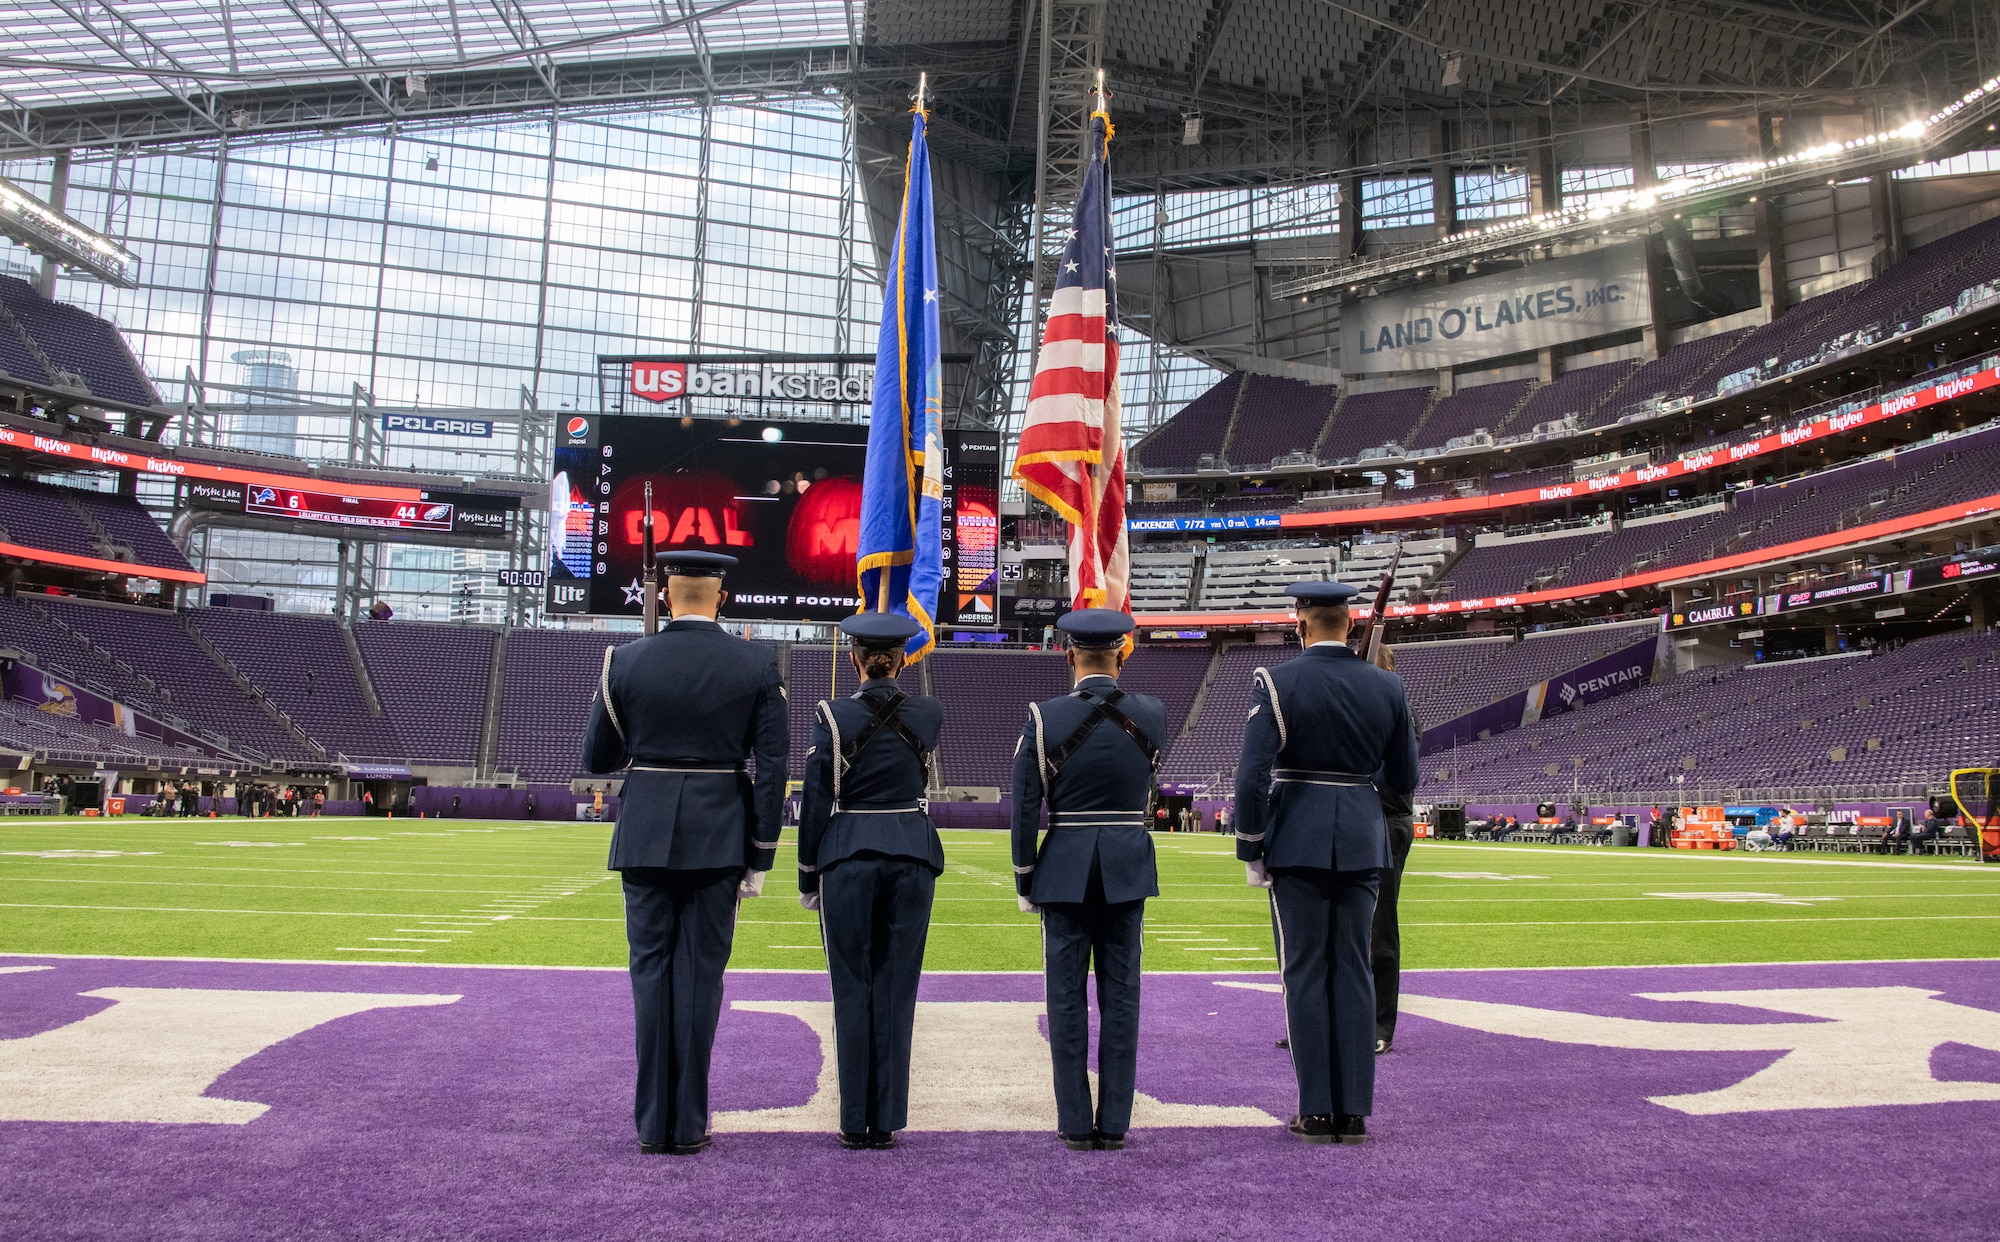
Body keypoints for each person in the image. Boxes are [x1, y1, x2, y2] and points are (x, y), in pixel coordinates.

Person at [582, 549, 787, 1157]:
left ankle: (652, 1124)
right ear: (721, 598)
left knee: (650, 974)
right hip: (719, 832)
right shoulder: (756, 662)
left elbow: (598, 758)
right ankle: (689, 1122)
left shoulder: (623, 660)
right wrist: (761, 852)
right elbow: (771, 766)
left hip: (644, 829)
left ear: (665, 598)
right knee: (701, 976)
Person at [1235, 581, 1417, 1147]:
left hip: (1298, 839)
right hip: (1363, 838)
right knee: (1356, 970)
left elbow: (1251, 775)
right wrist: (1357, 795)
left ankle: (1315, 1109)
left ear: (1302, 622)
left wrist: (1251, 846)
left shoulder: (1277, 682)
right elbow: (1405, 777)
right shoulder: (1387, 685)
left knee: (1305, 972)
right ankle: (1355, 1112)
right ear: (1348, 622)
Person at [1012, 609, 1166, 1152]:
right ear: (1121, 653)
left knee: (1066, 999)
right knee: (1123, 997)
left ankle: (1076, 1122)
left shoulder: (1043, 716)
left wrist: (1024, 876)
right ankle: (1116, 1121)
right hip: (1127, 863)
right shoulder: (1153, 713)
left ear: (1069, 654)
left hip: (1065, 867)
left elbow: (1027, 805)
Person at [797, 612, 944, 1151]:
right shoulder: (928, 711)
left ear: (855, 660)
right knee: (896, 990)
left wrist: (807, 874)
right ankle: (886, 1119)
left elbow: (817, 798)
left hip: (848, 854)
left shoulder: (832, 714)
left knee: (850, 987)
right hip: (911, 849)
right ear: (903, 658)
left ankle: (854, 1120)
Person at [1368, 643, 1419, 1057]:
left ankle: (1379, 1023)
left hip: (1386, 820)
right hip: (1359, 819)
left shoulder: (1401, 710)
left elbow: (1398, 778)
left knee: (1379, 927)